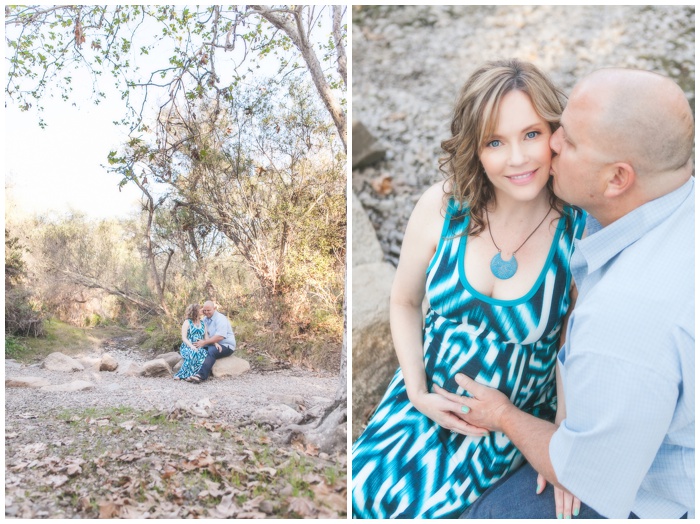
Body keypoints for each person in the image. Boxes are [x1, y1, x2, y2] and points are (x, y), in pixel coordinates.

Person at [442, 68, 694, 519]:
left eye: (570, 142)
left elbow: (581, 472)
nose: (552, 144)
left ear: (618, 178)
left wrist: (502, 415)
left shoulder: (624, 320)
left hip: (661, 495)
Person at [351, 59, 587, 519]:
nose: (517, 158)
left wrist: (560, 445)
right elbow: (403, 300)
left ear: (555, 133)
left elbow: (570, 350)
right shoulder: (443, 208)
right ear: (475, 150)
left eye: (531, 134)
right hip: (423, 407)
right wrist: (416, 390)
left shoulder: (577, 231)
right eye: (495, 142)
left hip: (504, 430)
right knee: (363, 497)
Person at [186, 300, 237, 383]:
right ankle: (191, 374)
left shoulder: (220, 318)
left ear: (214, 308)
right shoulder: (205, 319)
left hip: (226, 345)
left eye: (209, 310)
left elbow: (220, 336)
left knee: (211, 351)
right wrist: (199, 313)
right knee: (196, 349)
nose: (206, 312)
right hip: (213, 344)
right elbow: (191, 322)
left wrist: (204, 342)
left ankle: (201, 376)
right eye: (204, 310)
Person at [173, 303, 209, 381]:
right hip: (187, 346)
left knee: (201, 355)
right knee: (193, 353)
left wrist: (204, 342)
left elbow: (206, 338)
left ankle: (192, 376)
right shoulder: (187, 322)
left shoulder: (203, 323)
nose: (203, 310)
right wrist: (191, 346)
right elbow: (184, 338)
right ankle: (182, 375)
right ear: (195, 311)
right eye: (200, 308)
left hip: (200, 347)